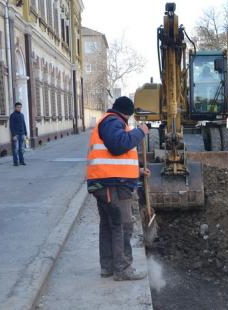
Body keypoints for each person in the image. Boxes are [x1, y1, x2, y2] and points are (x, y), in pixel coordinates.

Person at [87, 96, 150, 281]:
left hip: (107, 182)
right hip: (112, 185)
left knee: (108, 225)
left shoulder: (108, 121)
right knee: (123, 225)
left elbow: (114, 156)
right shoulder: (113, 121)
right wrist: (141, 132)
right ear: (126, 114)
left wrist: (136, 170)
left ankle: (108, 267)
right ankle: (122, 269)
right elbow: (117, 145)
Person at [9, 102, 27, 166]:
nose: (19, 108)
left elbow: (24, 124)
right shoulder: (12, 115)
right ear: (15, 107)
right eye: (18, 107)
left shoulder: (22, 115)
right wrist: (13, 135)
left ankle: (22, 161)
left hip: (22, 134)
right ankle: (15, 162)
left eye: (20, 107)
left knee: (21, 149)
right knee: (15, 149)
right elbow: (11, 126)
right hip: (16, 135)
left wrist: (25, 134)